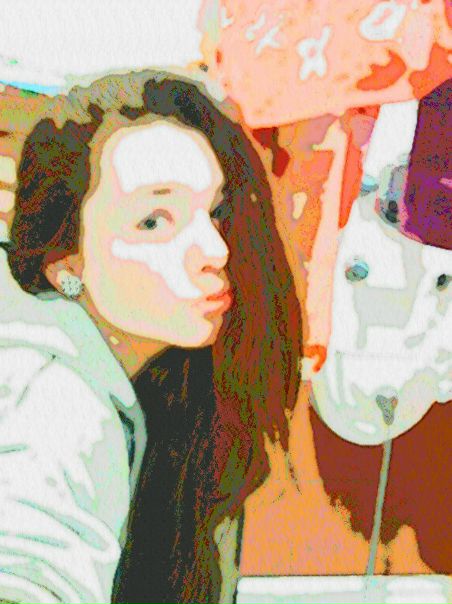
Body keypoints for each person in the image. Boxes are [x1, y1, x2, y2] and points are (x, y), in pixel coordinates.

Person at [0, 70, 302, 603]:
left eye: (215, 212)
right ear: (65, 260)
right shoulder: (53, 396)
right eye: (154, 221)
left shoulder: (149, 389)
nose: (216, 251)